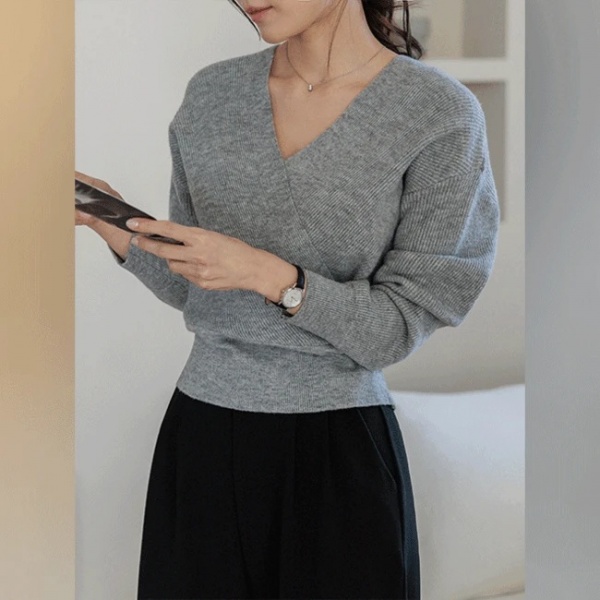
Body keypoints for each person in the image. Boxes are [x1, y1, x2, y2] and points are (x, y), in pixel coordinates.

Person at [75, 0, 500, 598]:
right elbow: (200, 290)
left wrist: (270, 275)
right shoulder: (212, 96)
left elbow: (397, 326)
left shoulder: (436, 113)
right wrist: (108, 219)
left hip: (339, 451)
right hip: (202, 438)